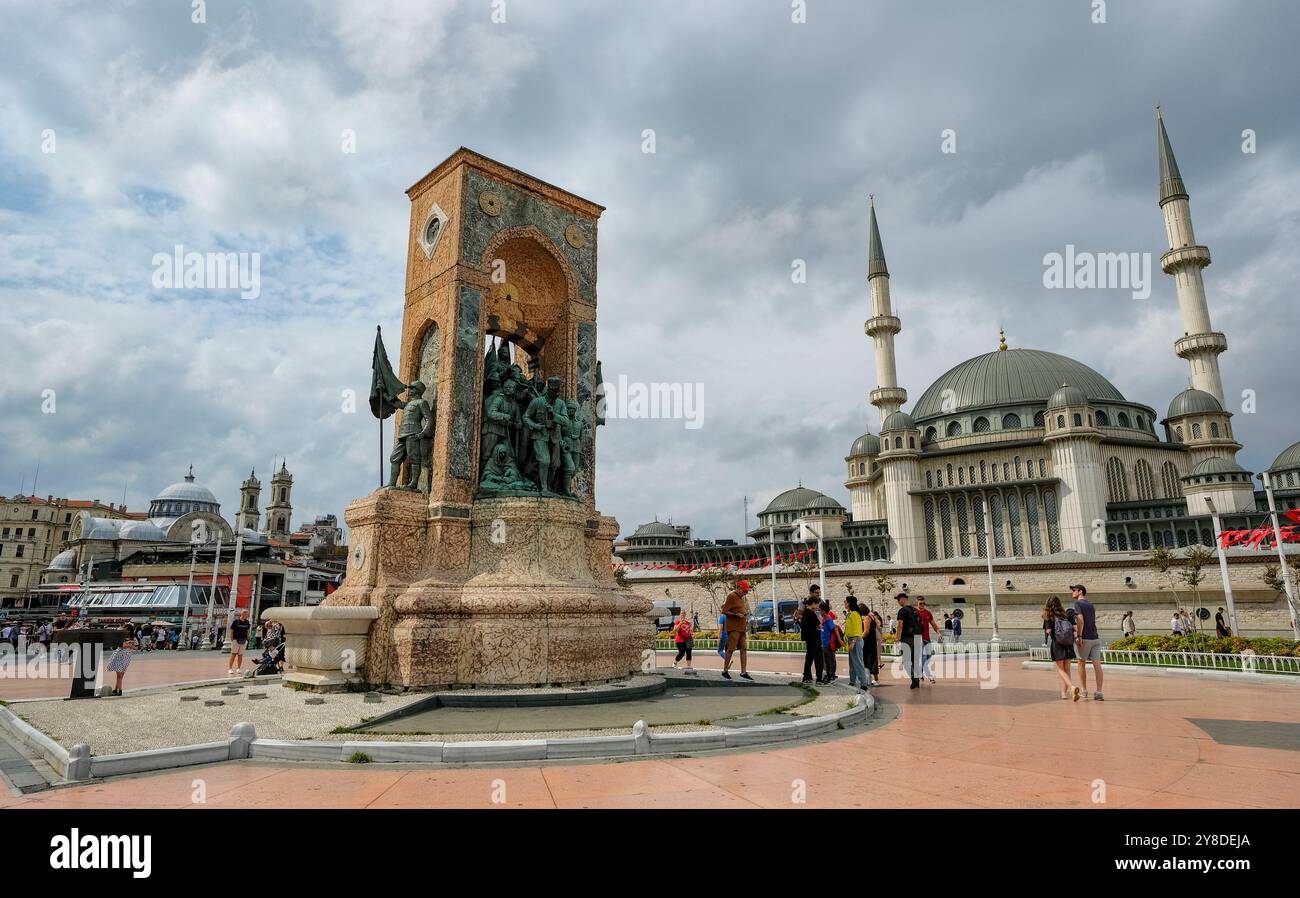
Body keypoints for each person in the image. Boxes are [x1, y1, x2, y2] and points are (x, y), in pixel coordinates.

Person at [1070, 584, 1103, 701]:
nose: (1072, 592)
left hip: (1085, 638)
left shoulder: (1078, 604)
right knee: (1097, 665)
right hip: (1095, 637)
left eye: (1074, 590)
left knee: (1081, 663)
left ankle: (1084, 690)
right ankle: (1099, 692)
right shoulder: (1090, 604)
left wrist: (1079, 635)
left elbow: (1080, 620)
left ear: (1080, 591)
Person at [1045, 596, 1079, 701]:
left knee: (1060, 669)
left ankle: (1072, 688)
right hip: (1068, 643)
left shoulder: (1048, 615)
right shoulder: (1066, 614)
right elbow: (1075, 628)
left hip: (1057, 644)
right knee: (1067, 669)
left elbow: (1049, 631)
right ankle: (1064, 693)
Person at [719, 579, 753, 681]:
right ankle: (725, 671)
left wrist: (744, 613)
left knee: (744, 649)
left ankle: (743, 672)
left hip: (741, 628)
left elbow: (739, 609)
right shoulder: (732, 596)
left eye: (746, 591)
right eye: (744, 591)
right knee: (731, 649)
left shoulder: (741, 598)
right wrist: (736, 615)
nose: (745, 593)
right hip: (734, 628)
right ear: (739, 588)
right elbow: (724, 610)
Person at [895, 594, 922, 689]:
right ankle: (916, 681)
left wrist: (897, 639)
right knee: (915, 661)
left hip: (907, 639)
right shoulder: (916, 610)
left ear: (903, 599)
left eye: (898, 600)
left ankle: (914, 679)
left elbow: (900, 626)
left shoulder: (902, 611)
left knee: (906, 661)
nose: (898, 602)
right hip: (918, 638)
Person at [104, 624, 138, 697]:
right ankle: (116, 689)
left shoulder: (131, 638)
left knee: (120, 675)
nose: (125, 631)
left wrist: (128, 645)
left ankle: (119, 690)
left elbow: (136, 647)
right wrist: (129, 645)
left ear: (129, 630)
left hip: (124, 656)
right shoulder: (124, 637)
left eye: (126, 629)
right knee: (119, 675)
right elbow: (120, 645)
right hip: (121, 655)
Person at [844, 597, 868, 691]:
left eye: (846, 602)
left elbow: (858, 630)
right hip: (851, 640)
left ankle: (863, 683)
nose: (844, 603)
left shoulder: (854, 614)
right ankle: (852, 681)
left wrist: (853, 642)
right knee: (852, 663)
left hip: (855, 640)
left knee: (858, 662)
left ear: (850, 603)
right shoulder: (850, 614)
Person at [915, 597, 940, 685]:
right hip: (918, 638)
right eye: (920, 603)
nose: (922, 605)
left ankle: (920, 673)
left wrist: (939, 633)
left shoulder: (927, 613)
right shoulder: (914, 612)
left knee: (928, 656)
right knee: (923, 657)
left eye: (923, 603)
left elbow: (933, 624)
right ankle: (930, 676)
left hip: (927, 638)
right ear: (917, 603)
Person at [800, 597, 824, 684]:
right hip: (814, 638)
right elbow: (820, 626)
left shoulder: (805, 612)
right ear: (813, 603)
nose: (818, 606)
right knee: (818, 658)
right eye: (817, 604)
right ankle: (819, 679)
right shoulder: (811, 613)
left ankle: (806, 677)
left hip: (808, 639)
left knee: (809, 657)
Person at [819, 600, 840, 684]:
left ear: (823, 610)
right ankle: (828, 674)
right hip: (824, 642)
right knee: (826, 660)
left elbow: (834, 629)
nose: (819, 611)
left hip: (828, 643)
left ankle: (832, 675)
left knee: (830, 659)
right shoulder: (823, 619)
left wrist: (839, 640)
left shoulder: (828, 619)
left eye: (820, 610)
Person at [229, 610, 251, 676]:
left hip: (243, 640)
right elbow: (231, 630)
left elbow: (247, 631)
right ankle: (230, 668)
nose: (247, 616)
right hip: (236, 640)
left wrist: (247, 638)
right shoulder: (236, 621)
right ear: (243, 614)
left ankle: (238, 668)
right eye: (247, 614)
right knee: (233, 654)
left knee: (240, 655)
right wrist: (232, 639)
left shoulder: (247, 622)